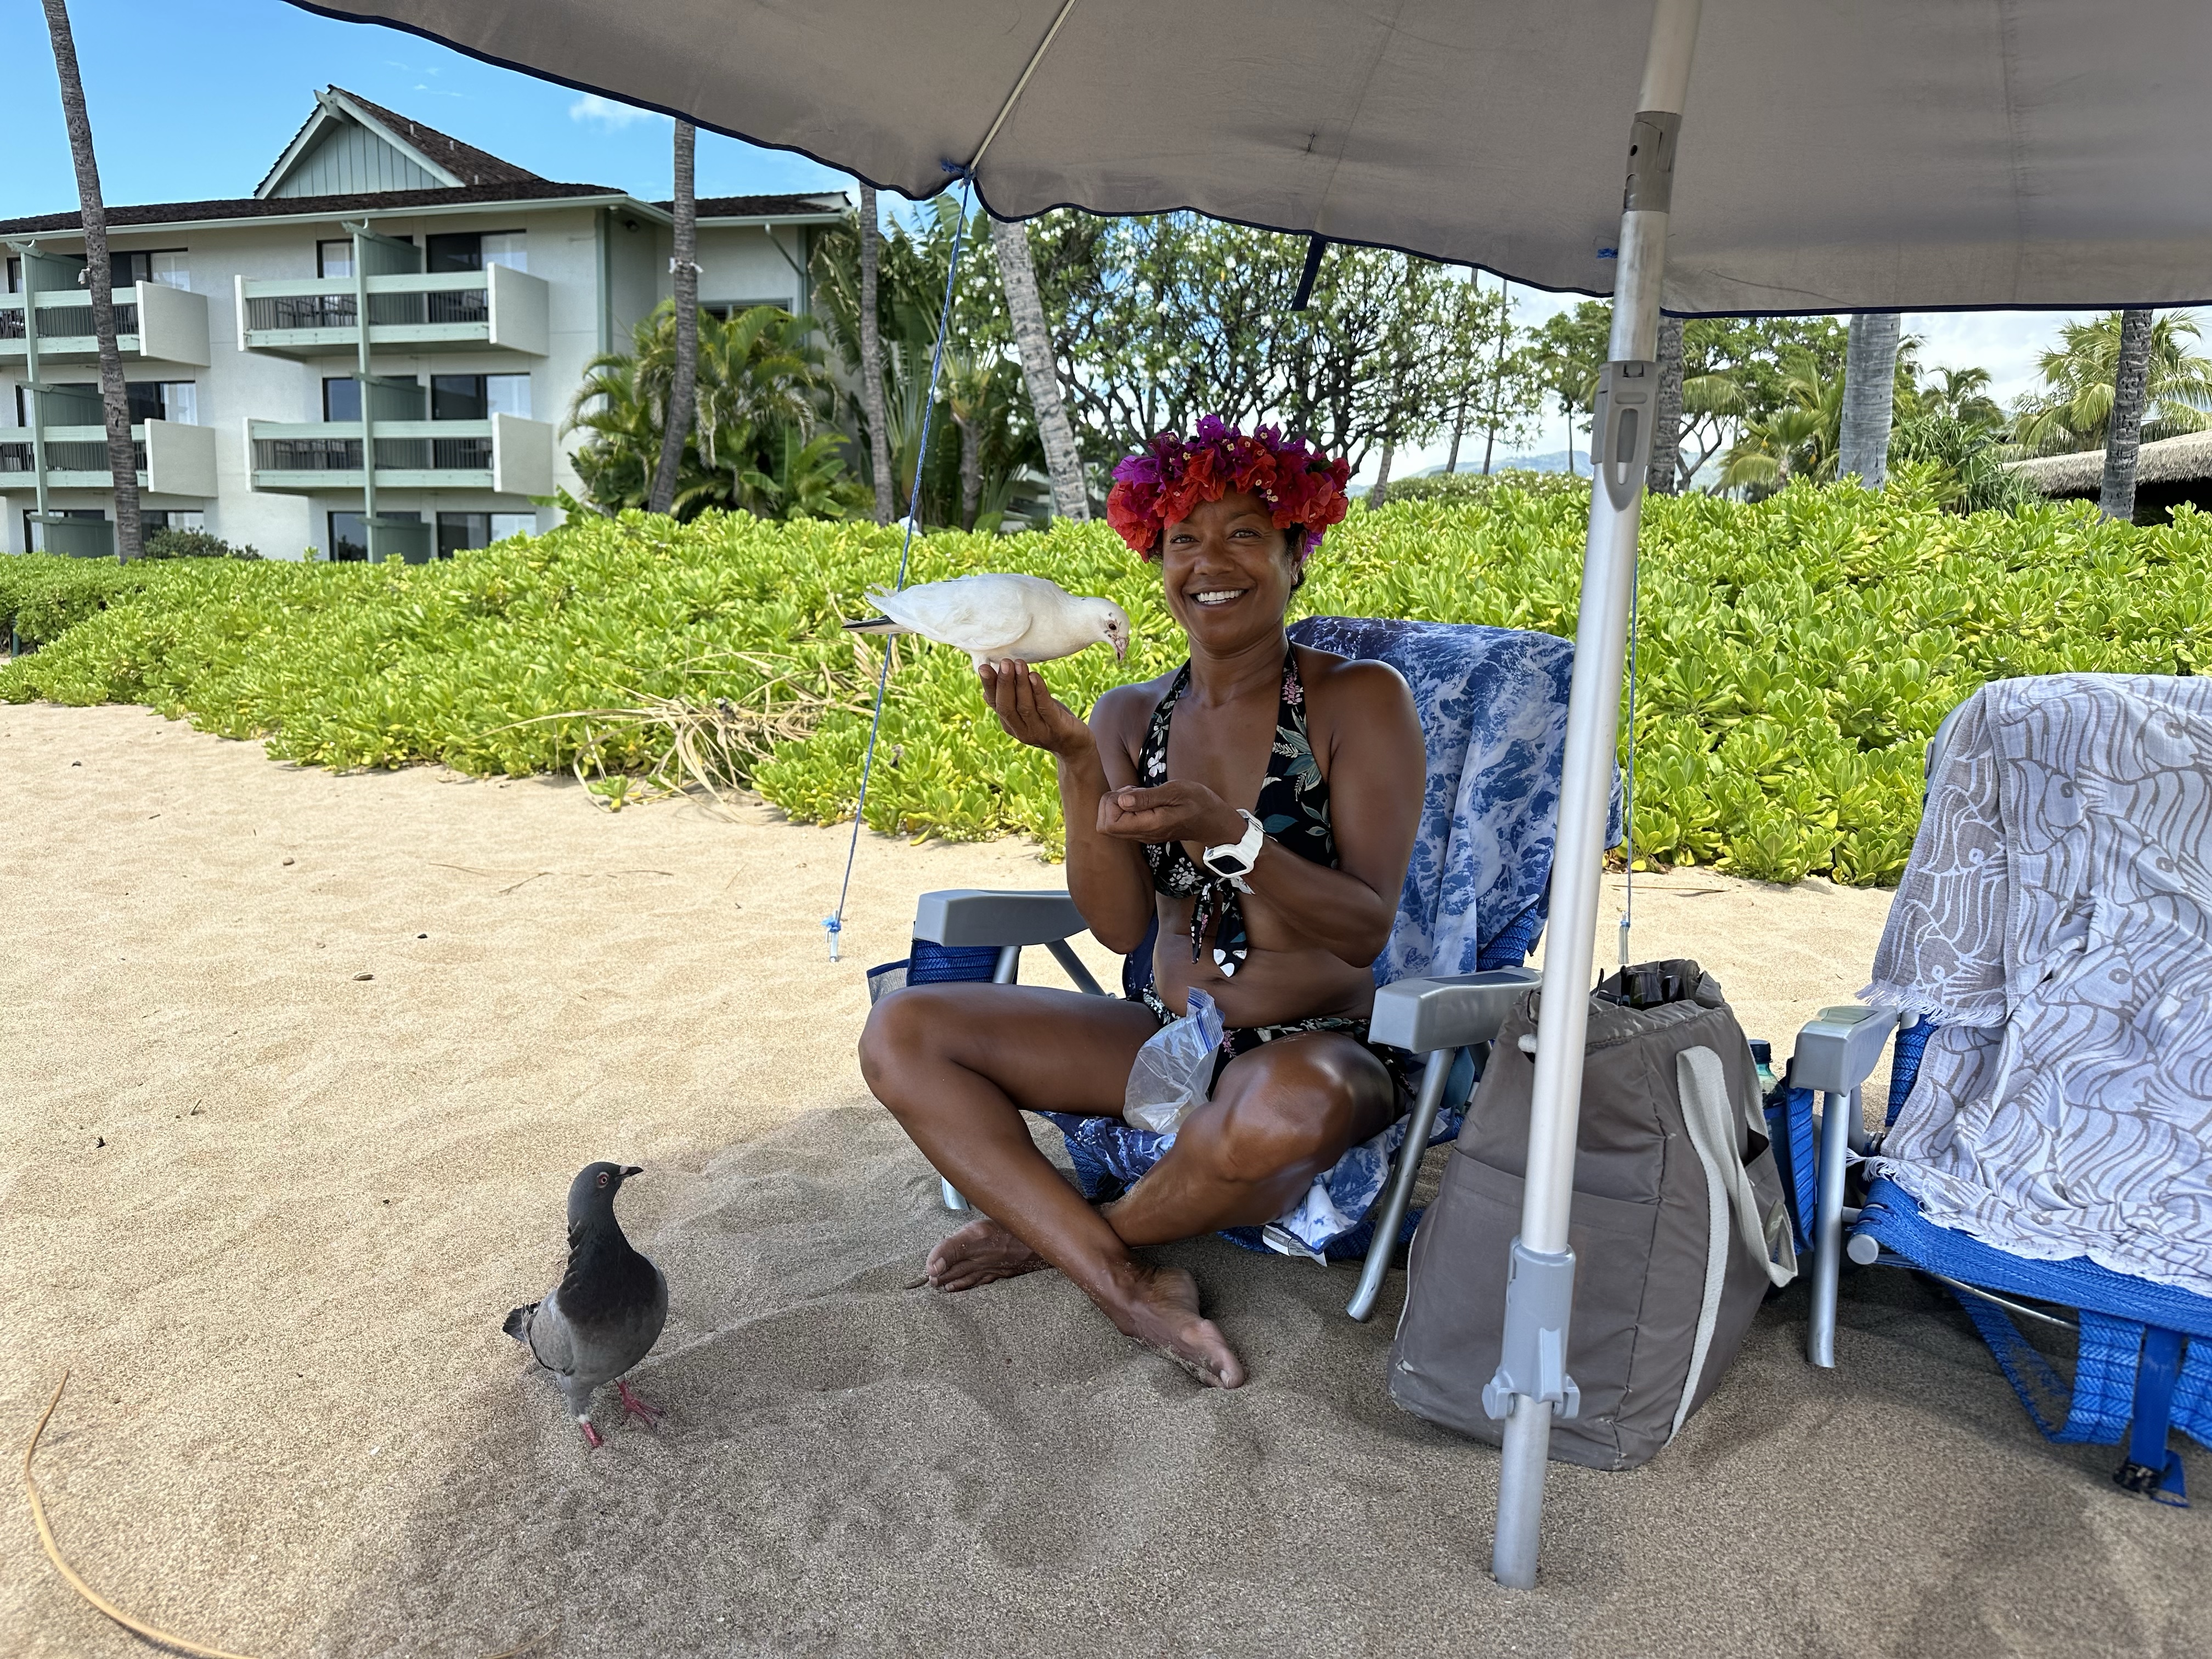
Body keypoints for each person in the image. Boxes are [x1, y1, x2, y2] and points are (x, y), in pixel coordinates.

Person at [859, 419, 1426, 1387]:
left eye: (1245, 534)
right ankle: (1124, 1280)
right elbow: (1121, 927)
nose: (1210, 563)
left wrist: (1230, 833)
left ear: (1296, 554)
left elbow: (1363, 928)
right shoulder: (1130, 715)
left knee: (1287, 1109)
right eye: (1183, 540)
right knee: (901, 1032)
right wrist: (1078, 763)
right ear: (1156, 560)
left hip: (1319, 1046)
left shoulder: (1357, 701)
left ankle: (1062, 1239)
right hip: (1169, 1036)